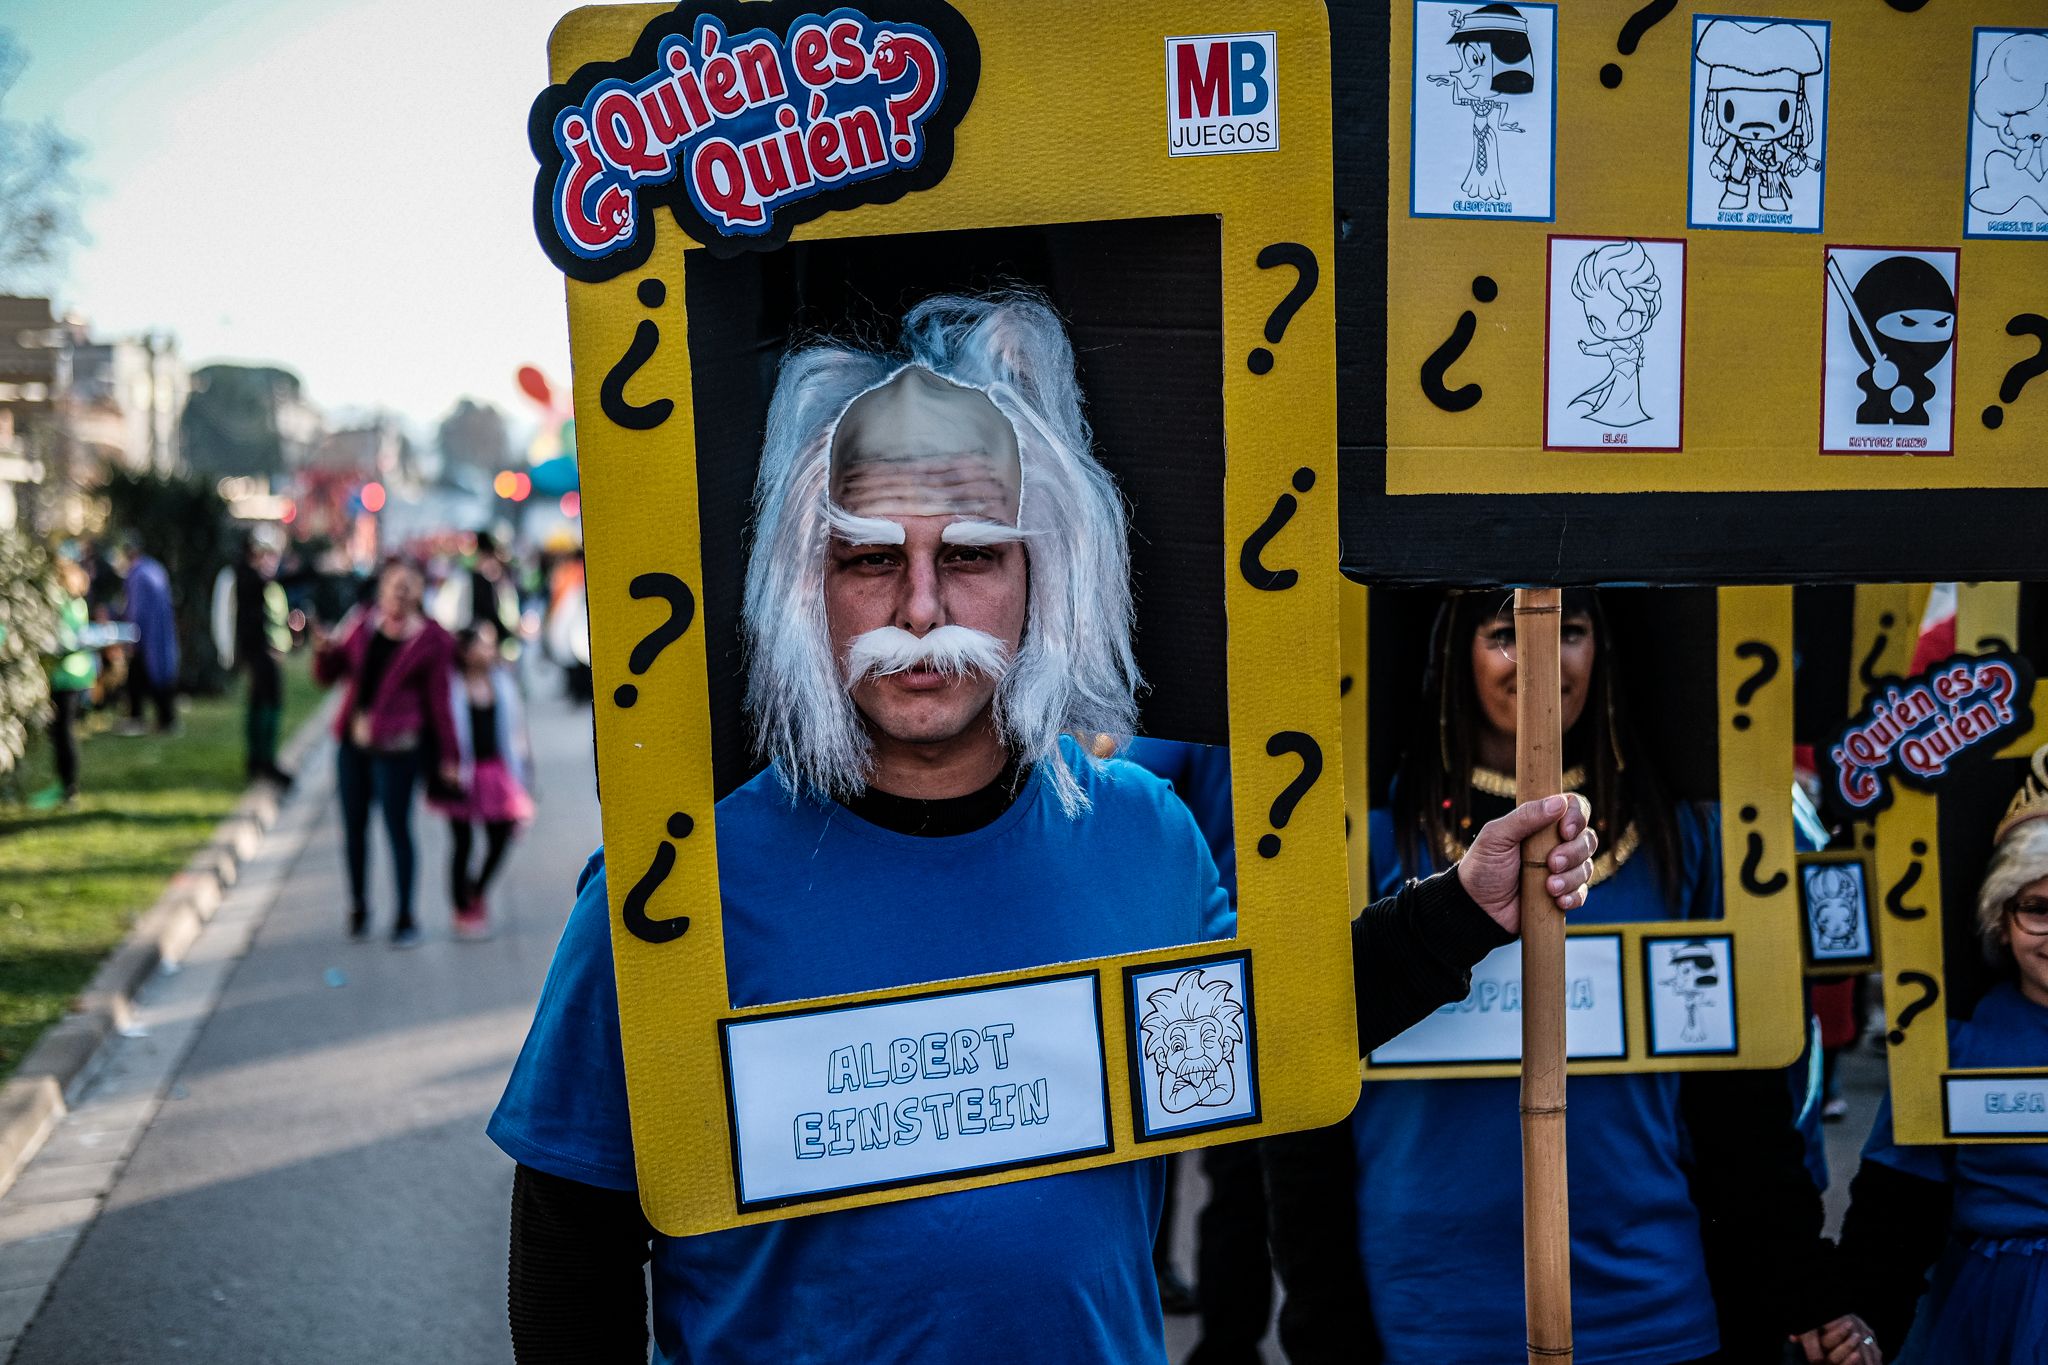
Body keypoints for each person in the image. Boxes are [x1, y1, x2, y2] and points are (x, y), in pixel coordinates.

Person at [488, 294, 1600, 1364]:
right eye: (871, 558)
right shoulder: (676, 889)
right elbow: (569, 1250)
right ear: (803, 587)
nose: (919, 611)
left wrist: (1460, 911)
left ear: (1041, 575)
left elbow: (1269, 1035)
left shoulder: (1141, 838)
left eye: (969, 554)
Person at [1267, 590, 1844, 1365]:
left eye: (1569, 631)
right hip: (1428, 1316)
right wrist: (1322, 1316)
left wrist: (1794, 1280)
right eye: (1506, 634)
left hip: (1653, 1313)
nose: (1543, 657)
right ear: (1454, 654)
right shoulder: (1365, 839)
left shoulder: (1683, 842)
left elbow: (1736, 1095)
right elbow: (1299, 1098)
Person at [1828, 746, 2048, 1365]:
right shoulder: (1952, 1042)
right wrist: (1864, 1320)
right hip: (1991, 1314)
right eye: (2037, 908)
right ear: (2001, 920)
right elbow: (1896, 1207)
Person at [313, 557, 458, 948]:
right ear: (381, 588)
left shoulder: (433, 640)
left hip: (398, 749)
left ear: (420, 592)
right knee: (354, 829)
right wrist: (325, 651)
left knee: (398, 829)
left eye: (409, 585)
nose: (400, 591)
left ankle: (406, 915)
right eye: (395, 584)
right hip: (353, 746)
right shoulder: (361, 625)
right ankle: (359, 904)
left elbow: (440, 702)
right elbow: (329, 676)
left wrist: (450, 757)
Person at [431, 620, 533, 939]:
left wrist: (526, 771)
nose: (491, 650)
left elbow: (516, 731)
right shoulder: (449, 685)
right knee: (462, 842)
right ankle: (462, 907)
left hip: (495, 771)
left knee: (501, 836)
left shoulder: (502, 682)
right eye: (484, 644)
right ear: (465, 651)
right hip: (460, 773)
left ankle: (476, 890)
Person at [234, 532, 295, 787]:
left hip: (263, 651)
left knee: (264, 702)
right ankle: (262, 761)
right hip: (260, 653)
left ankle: (261, 760)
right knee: (264, 703)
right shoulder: (248, 579)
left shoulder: (257, 580)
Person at [45, 558, 97, 803]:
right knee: (64, 732)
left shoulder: (63, 606)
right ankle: (66, 785)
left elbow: (62, 641)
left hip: (64, 676)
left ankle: (67, 787)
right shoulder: (79, 604)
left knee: (62, 733)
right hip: (78, 674)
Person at [118, 535, 178, 734]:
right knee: (159, 673)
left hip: (145, 634)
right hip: (161, 632)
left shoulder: (137, 575)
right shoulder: (154, 568)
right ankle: (165, 718)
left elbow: (136, 609)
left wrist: (133, 636)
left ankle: (140, 718)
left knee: (140, 676)